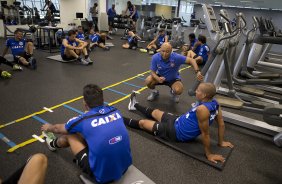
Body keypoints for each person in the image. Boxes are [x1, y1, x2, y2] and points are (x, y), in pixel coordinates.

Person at [41, 84, 132, 183]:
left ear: (85, 103)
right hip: (125, 167)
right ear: (102, 99)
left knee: (71, 134)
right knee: (98, 133)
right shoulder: (115, 111)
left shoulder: (83, 120)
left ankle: (52, 144)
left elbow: (57, 129)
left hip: (103, 176)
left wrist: (48, 127)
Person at [125, 83, 234, 164]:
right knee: (156, 112)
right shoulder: (215, 102)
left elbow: (205, 134)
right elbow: (221, 124)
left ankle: (118, 119)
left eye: (198, 90)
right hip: (178, 120)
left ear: (204, 95)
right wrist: (220, 142)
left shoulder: (203, 109)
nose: (196, 91)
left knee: (143, 123)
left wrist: (209, 154)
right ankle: (134, 105)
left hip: (176, 133)